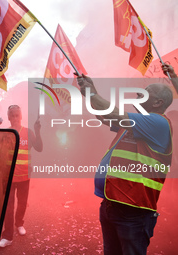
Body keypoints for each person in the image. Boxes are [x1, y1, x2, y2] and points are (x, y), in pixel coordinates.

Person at [77, 74, 173, 255]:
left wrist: (91, 93)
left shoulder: (158, 123)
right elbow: (105, 116)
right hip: (111, 204)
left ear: (158, 103)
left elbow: (113, 112)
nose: (139, 94)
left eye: (145, 93)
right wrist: (92, 92)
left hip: (133, 212)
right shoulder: (136, 123)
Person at [0, 105, 43, 248]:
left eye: (17, 115)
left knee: (22, 204)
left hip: (24, 176)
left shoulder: (28, 132)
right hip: (9, 178)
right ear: (9, 118)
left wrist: (37, 131)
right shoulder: (5, 133)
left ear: (21, 116)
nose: (15, 118)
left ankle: (19, 223)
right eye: (12, 115)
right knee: (9, 207)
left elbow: (39, 148)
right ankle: (7, 236)